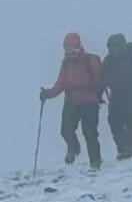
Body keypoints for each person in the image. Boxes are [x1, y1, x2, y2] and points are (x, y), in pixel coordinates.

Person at [42, 32, 107, 167]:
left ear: (79, 47)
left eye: (72, 51)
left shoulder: (90, 61)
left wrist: (98, 95)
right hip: (71, 102)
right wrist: (48, 94)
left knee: (90, 134)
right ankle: (74, 148)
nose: (69, 54)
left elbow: (100, 80)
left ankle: (95, 161)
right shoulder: (66, 64)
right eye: (67, 51)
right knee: (65, 130)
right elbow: (60, 84)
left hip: (89, 102)